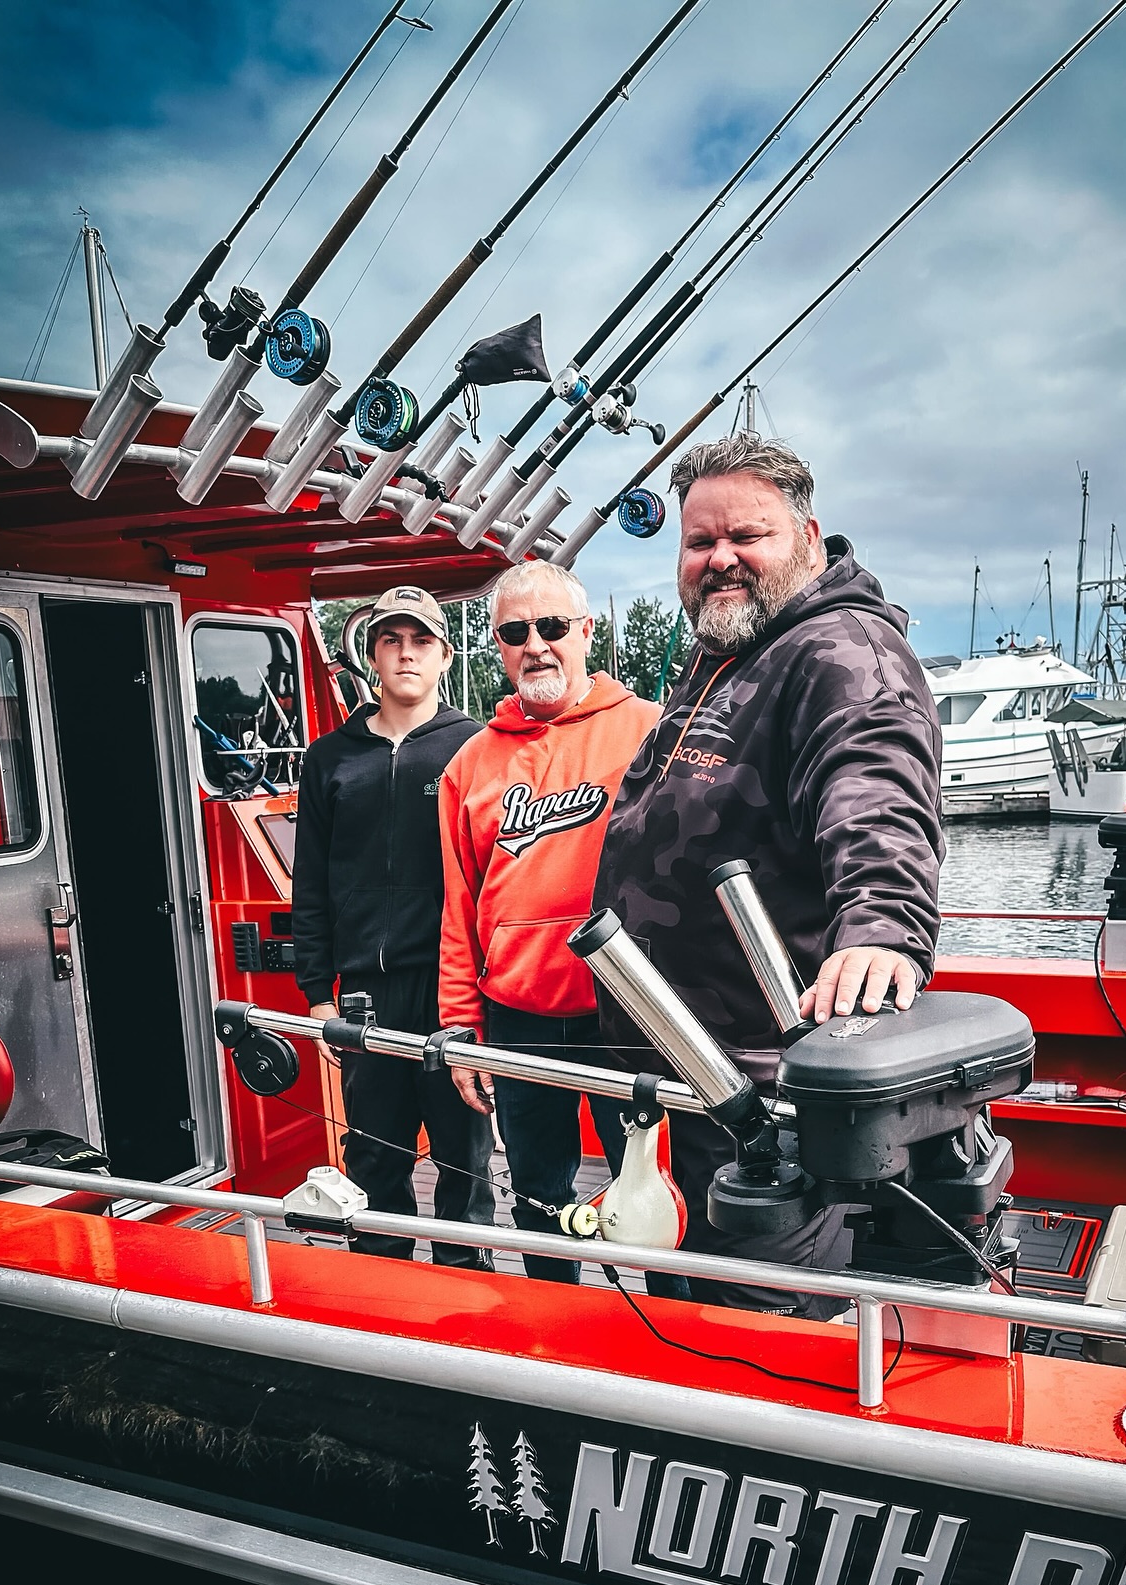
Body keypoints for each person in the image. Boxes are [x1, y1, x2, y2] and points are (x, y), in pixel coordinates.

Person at [593, 435, 944, 1315]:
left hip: (760, 1094)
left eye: (746, 536)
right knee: (684, 1299)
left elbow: (875, 787)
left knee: (755, 1323)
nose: (720, 560)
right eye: (699, 542)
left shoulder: (841, 652)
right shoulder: (727, 651)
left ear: (809, 536)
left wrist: (882, 926)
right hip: (681, 1068)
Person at [438, 560, 660, 1283]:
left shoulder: (650, 731)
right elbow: (459, 904)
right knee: (538, 1197)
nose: (536, 644)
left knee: (655, 1198)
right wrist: (460, 1026)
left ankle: (680, 1342)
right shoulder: (469, 763)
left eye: (553, 626)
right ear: (497, 646)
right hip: (518, 1019)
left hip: (626, 1016)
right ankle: (551, 1334)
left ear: (586, 632)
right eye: (514, 631)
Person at [292, 584, 495, 1268]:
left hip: (452, 993)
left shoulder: (475, 748)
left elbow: (496, 879)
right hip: (363, 999)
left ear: (444, 655)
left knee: (464, 1161)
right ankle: (382, 1293)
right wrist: (318, 991)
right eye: (391, 641)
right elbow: (311, 885)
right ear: (372, 655)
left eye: (422, 641)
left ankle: (470, 1295)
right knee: (375, 1159)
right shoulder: (329, 759)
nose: (406, 654)